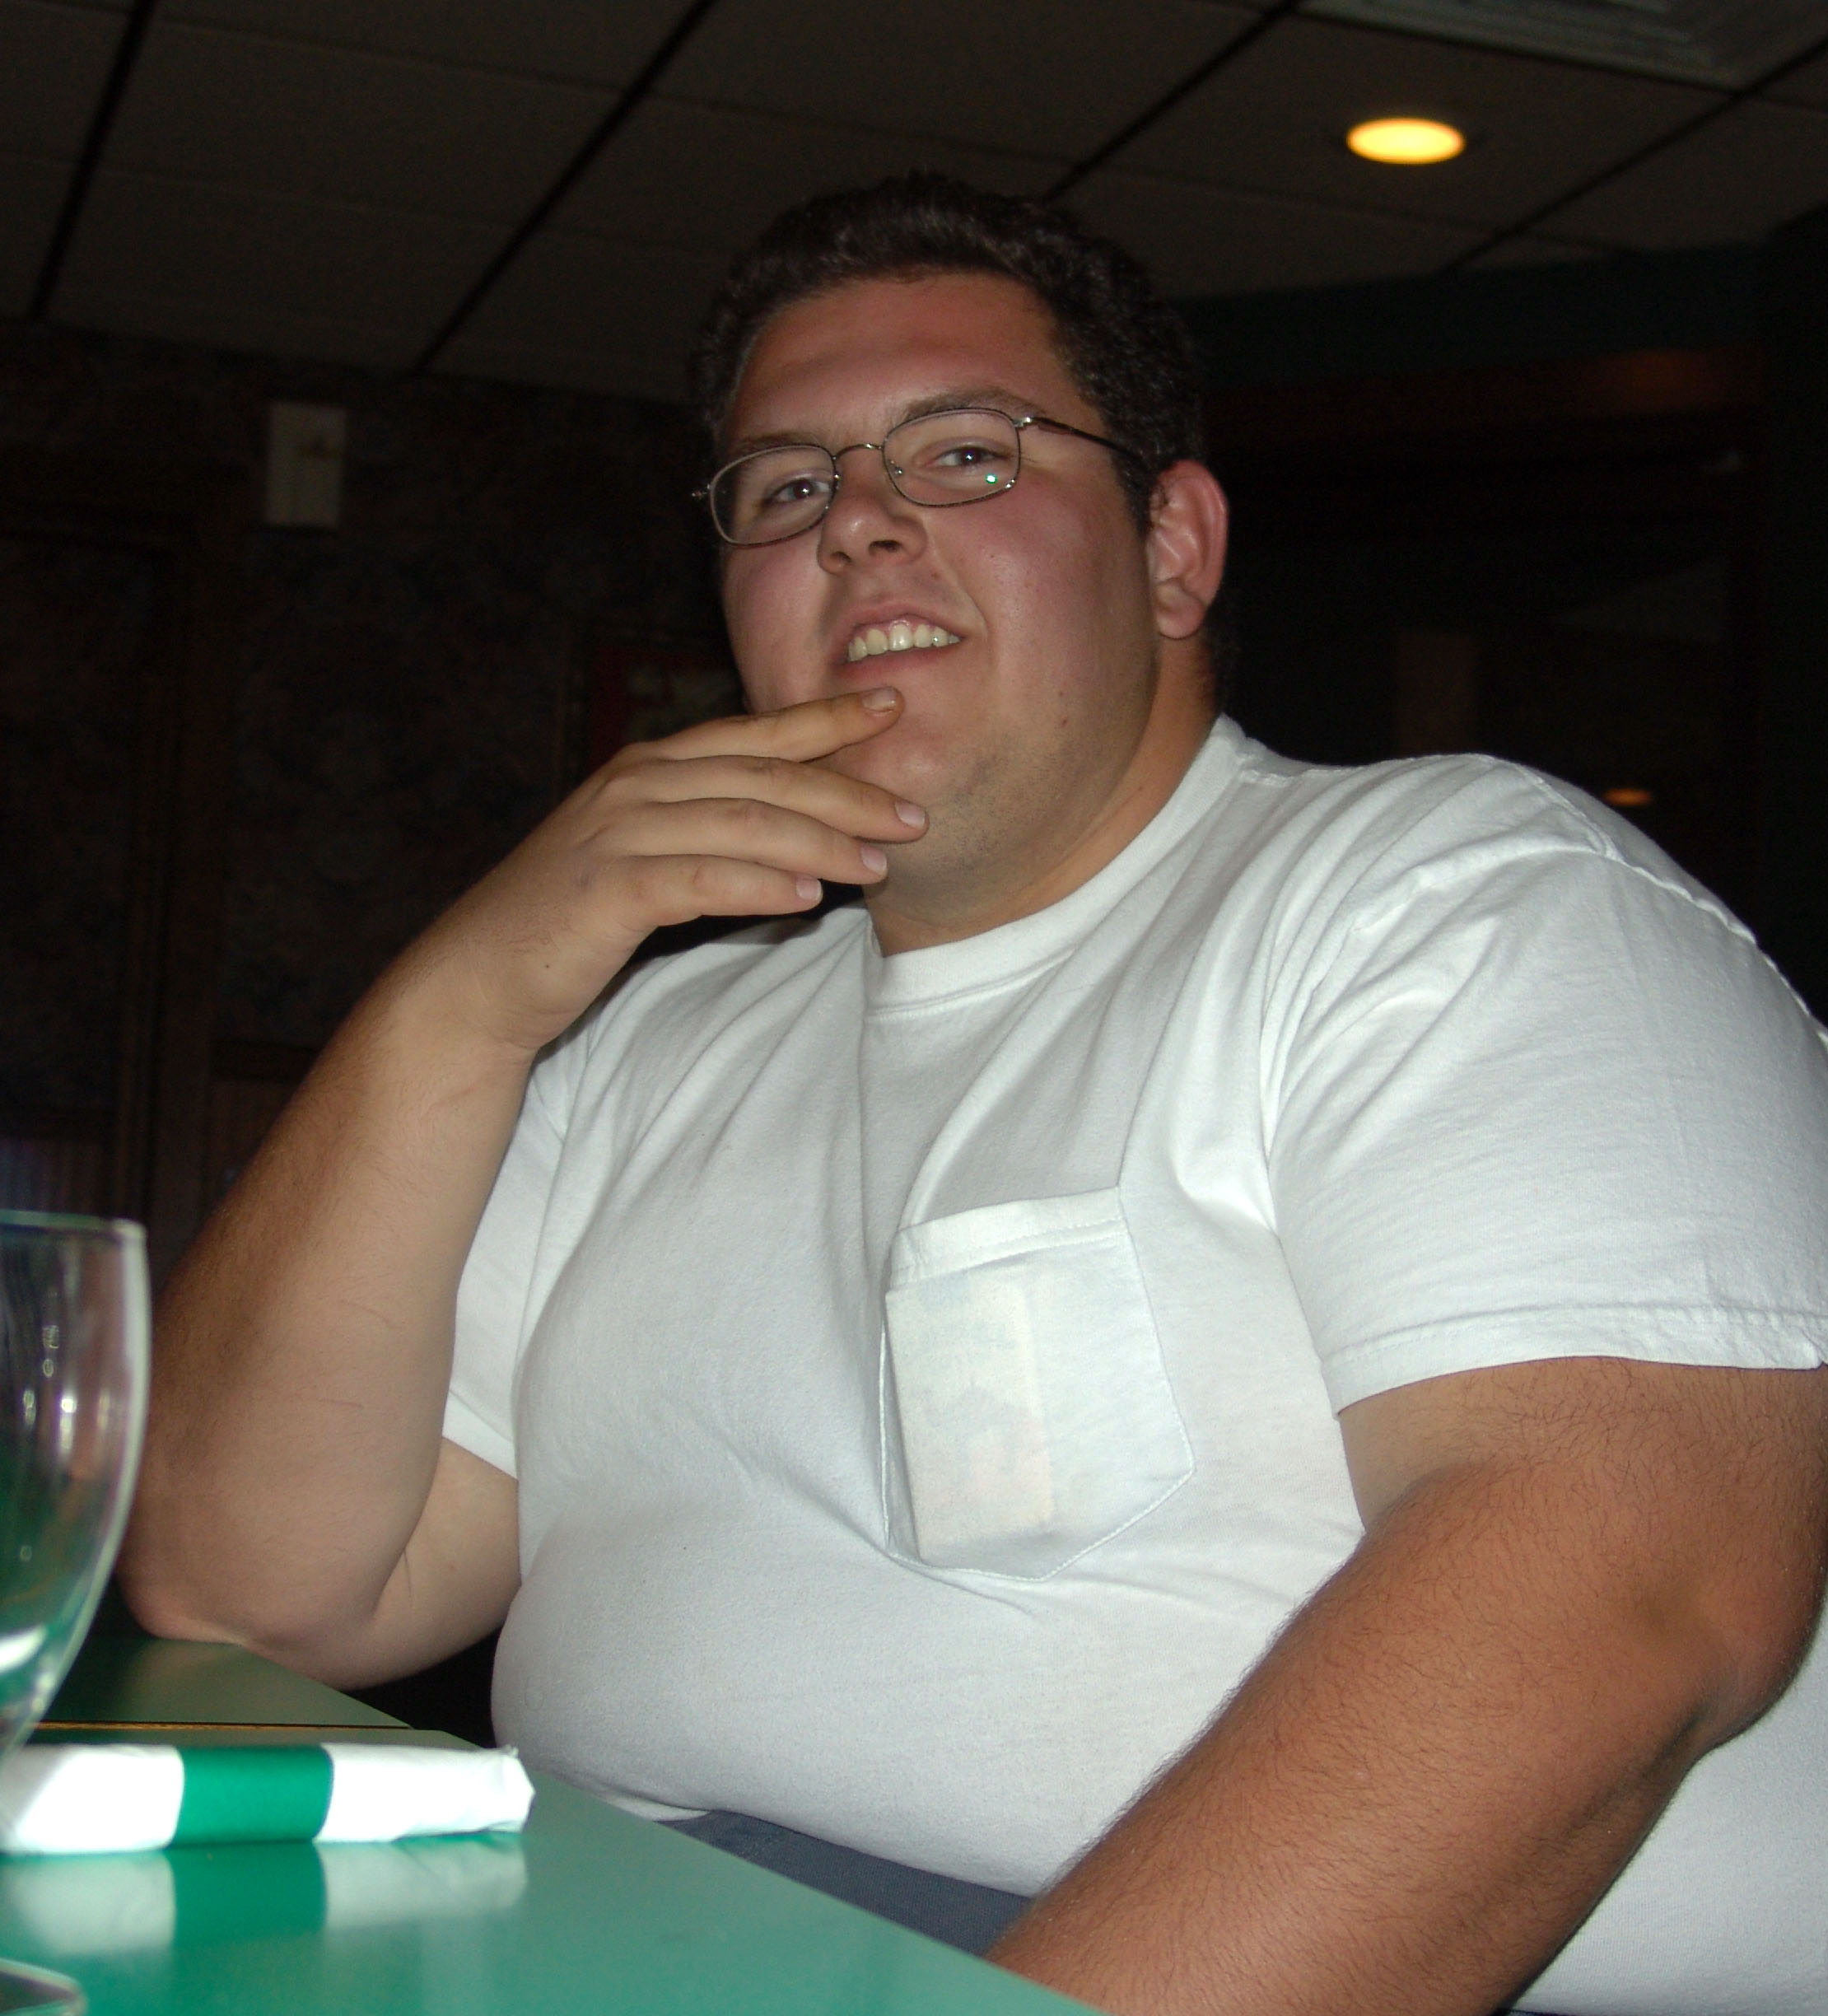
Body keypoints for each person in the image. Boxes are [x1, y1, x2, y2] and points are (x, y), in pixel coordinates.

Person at [121, 175, 1828, 2016]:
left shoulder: (1452, 898)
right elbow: (250, 1588)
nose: (858, 522)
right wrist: (458, 1000)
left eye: (965, 455)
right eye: (789, 488)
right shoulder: (652, 1044)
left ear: (1172, 548)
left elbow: (1619, 1597)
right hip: (622, 1929)